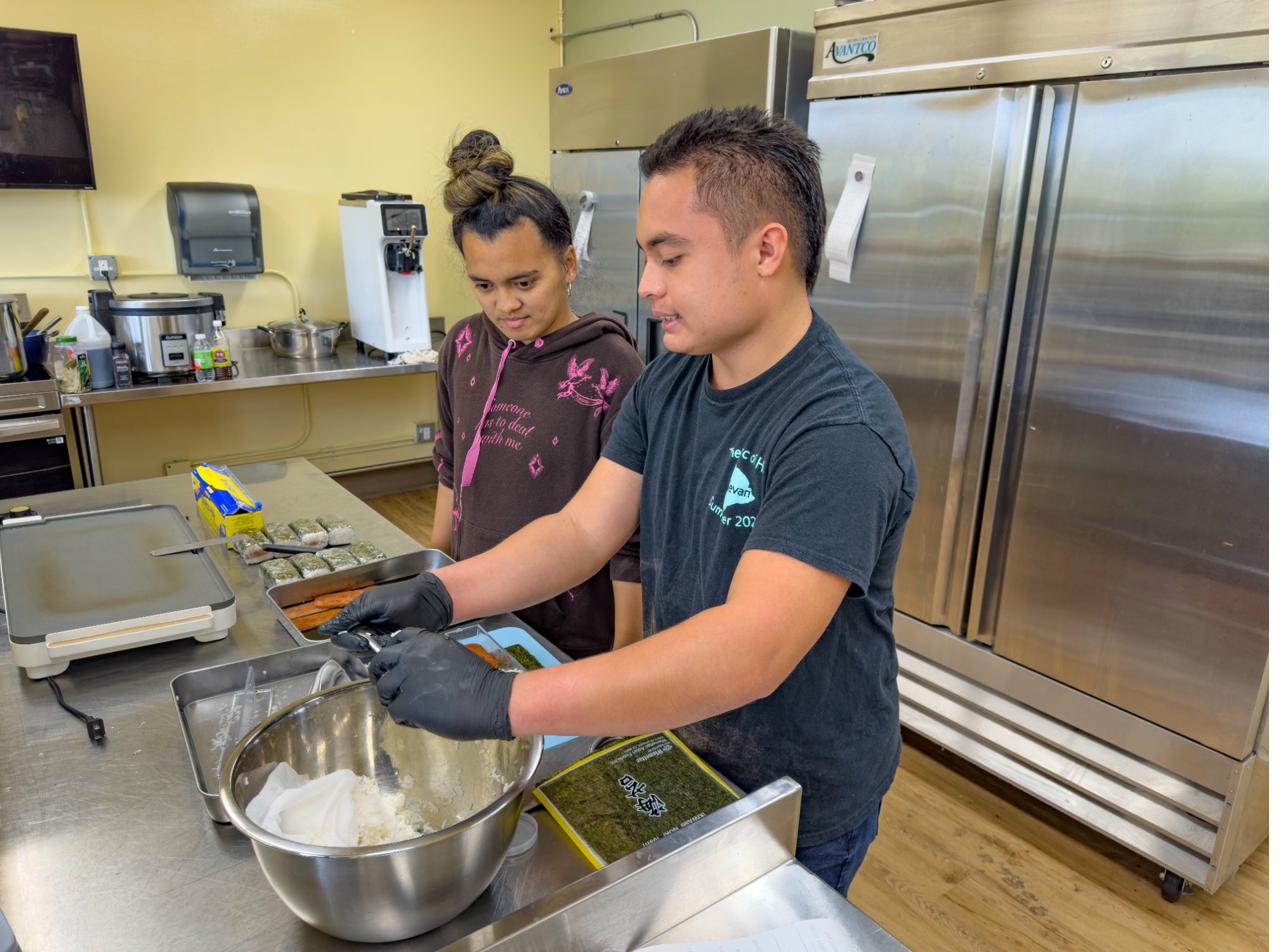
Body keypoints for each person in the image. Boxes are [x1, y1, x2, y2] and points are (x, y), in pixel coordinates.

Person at [325, 107, 918, 895]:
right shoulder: (677, 376)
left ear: (767, 248)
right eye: (646, 256)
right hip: (682, 740)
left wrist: (502, 699)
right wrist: (442, 592)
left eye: (670, 257)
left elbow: (748, 652)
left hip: (795, 794)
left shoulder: (837, 429)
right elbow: (580, 531)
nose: (646, 285)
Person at [432, 129, 645, 656]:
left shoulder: (612, 369)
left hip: (570, 633)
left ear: (568, 266)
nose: (505, 305)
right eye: (485, 285)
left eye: (524, 282)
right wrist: (434, 576)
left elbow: (633, 540)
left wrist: (626, 656)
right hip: (474, 607)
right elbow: (449, 468)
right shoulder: (461, 346)